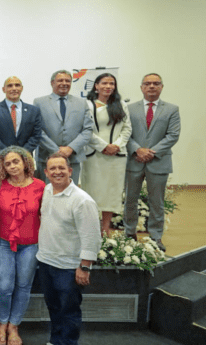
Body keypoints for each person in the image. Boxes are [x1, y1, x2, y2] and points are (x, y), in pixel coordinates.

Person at [36, 153, 101, 345]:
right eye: (52, 169)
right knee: (53, 306)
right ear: (46, 172)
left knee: (69, 309)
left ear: (70, 170)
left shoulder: (82, 200)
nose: (57, 172)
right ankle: (55, 342)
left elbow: (92, 237)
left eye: (61, 168)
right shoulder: (46, 191)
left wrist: (84, 266)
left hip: (68, 266)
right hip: (46, 261)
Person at [0, 146, 45, 345]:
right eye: (8, 163)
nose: (12, 166)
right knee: (3, 285)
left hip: (30, 244)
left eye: (16, 162)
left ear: (25, 162)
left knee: (23, 285)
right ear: (2, 166)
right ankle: (1, 323)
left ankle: (14, 326)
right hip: (4, 242)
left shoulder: (40, 186)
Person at [123, 73, 181, 251]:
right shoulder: (129, 109)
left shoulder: (171, 109)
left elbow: (173, 135)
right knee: (130, 200)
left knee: (157, 202)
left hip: (159, 161)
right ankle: (129, 233)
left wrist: (151, 152)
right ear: (141, 87)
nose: (151, 87)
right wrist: (137, 149)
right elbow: (125, 133)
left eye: (156, 84)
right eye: (147, 84)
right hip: (134, 160)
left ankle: (156, 236)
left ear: (162, 87)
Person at [80, 73, 132, 236]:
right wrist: (103, 146)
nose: (108, 86)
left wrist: (116, 146)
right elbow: (86, 129)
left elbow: (127, 128)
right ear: (96, 86)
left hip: (116, 157)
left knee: (111, 192)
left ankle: (106, 228)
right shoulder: (87, 105)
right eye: (104, 83)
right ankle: (93, 228)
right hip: (94, 155)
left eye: (111, 84)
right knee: (93, 191)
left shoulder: (121, 104)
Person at [0, 76, 43, 186]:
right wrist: (10, 154)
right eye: (10, 85)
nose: (14, 88)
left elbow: (36, 135)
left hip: (23, 164)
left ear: (22, 88)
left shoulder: (34, 111)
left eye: (17, 85)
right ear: (3, 89)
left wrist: (21, 155)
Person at [33, 70, 93, 184]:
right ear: (52, 83)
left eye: (68, 81)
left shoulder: (81, 103)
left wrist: (71, 148)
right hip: (46, 157)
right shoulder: (39, 102)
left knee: (71, 193)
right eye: (60, 80)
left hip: (73, 157)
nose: (64, 83)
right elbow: (37, 130)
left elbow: (88, 129)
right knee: (47, 193)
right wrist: (56, 151)